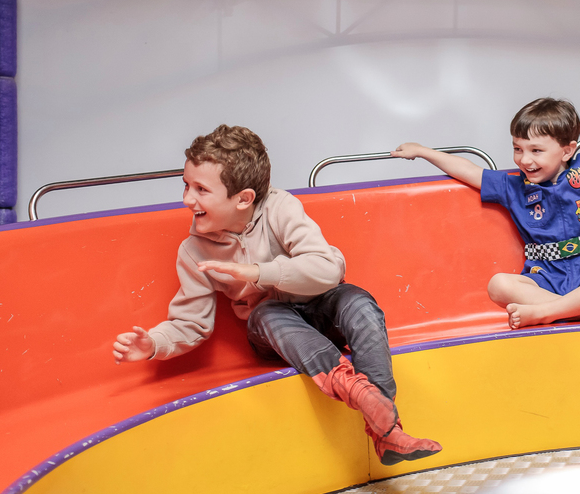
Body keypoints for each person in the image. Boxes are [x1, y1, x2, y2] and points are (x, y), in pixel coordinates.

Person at [111, 125, 440, 465]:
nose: (187, 199)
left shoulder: (279, 207)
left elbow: (328, 268)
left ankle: (388, 432)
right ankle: (357, 393)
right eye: (186, 185)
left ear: (243, 199)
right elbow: (190, 323)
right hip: (274, 333)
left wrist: (258, 273)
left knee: (357, 300)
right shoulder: (194, 251)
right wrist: (154, 343)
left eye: (201, 190)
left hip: (319, 307)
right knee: (266, 313)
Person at [393, 98, 580, 329]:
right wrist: (423, 151)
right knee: (498, 285)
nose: (524, 160)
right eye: (518, 148)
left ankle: (547, 313)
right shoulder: (512, 186)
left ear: (567, 150)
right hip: (547, 278)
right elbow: (470, 170)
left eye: (536, 150)